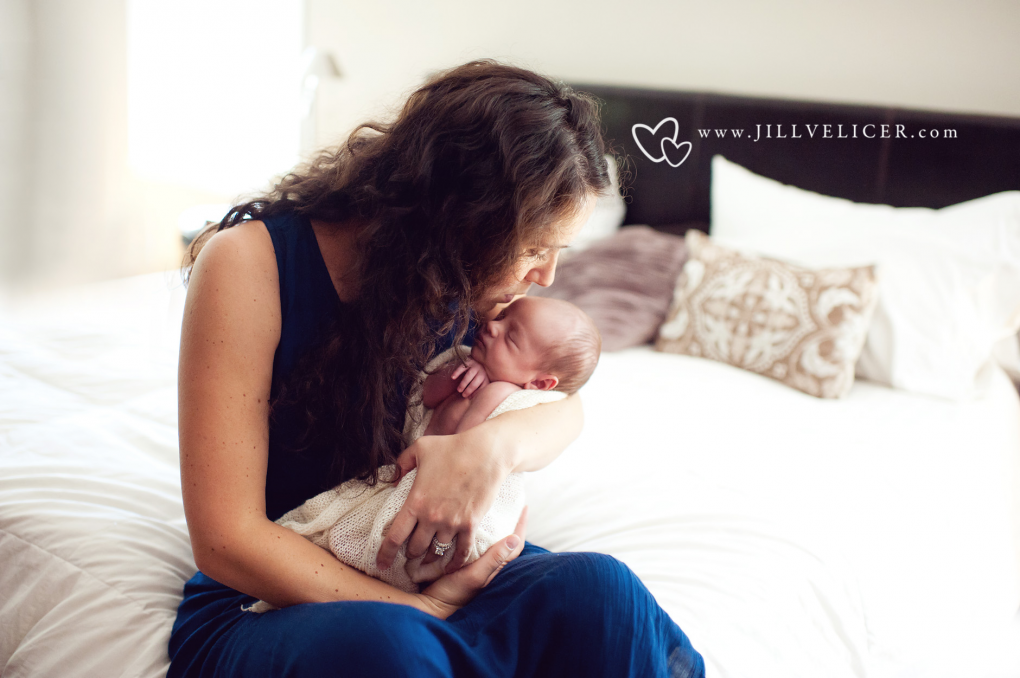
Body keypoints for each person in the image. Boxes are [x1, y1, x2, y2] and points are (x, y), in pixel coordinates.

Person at [169, 58, 705, 677]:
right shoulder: (249, 264)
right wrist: (424, 607)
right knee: (391, 649)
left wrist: (490, 451)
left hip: (430, 578)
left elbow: (563, 403)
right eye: (534, 248)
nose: (548, 277)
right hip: (278, 594)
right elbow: (225, 540)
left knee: (602, 592)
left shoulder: (461, 281)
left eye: (559, 252)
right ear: (464, 218)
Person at [422, 296, 601, 437]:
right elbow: (423, 395)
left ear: (539, 384)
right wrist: (459, 372)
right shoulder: (469, 358)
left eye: (511, 338)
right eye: (502, 316)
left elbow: (465, 448)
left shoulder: (502, 394)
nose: (492, 325)